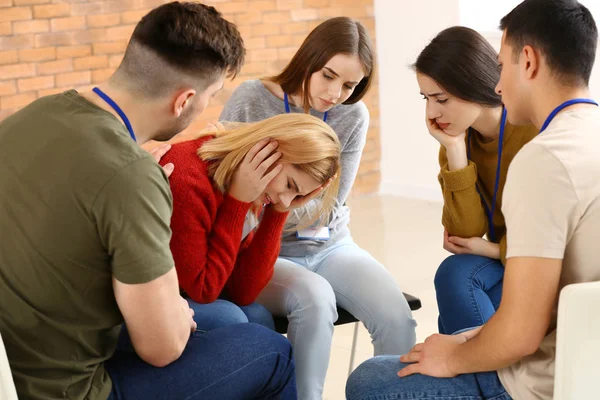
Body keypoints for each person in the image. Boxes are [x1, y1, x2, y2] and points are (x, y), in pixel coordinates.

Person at [0, 2, 297, 399]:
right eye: (210, 96)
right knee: (273, 351)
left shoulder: (28, 118)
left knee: (228, 318)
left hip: (15, 358)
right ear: (184, 100)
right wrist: (174, 310)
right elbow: (162, 348)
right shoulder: (132, 176)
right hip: (68, 388)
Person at [346, 1, 600, 399]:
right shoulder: (588, 135)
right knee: (457, 275)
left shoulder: (543, 156)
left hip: (549, 376)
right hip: (580, 348)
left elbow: (523, 332)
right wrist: (468, 341)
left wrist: (453, 358)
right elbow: (465, 236)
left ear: (528, 62)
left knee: (369, 380)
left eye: (502, 66)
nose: (498, 84)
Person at [219, 16, 417, 399]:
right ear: (309, 59)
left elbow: (329, 204)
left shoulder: (352, 116)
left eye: (349, 84)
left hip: (330, 244)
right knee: (316, 299)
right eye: (328, 76)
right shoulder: (251, 98)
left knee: (396, 317)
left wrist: (272, 198)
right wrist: (286, 203)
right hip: (260, 249)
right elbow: (229, 188)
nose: (335, 93)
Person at [162, 114, 341, 332]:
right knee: (230, 318)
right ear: (267, 152)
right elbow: (204, 289)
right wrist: (237, 203)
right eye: (289, 184)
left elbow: (243, 292)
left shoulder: (250, 182)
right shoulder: (188, 179)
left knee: (258, 316)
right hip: (141, 300)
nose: (284, 198)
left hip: (182, 292)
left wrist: (279, 212)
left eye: (296, 195)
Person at [414, 26, 537, 335]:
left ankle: (480, 374)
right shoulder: (455, 137)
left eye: (440, 99)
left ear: (473, 83)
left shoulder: (533, 132)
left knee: (454, 303)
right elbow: (463, 234)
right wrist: (454, 151)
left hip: (538, 262)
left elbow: (558, 235)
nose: (431, 112)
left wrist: (493, 250)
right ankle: (487, 377)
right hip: (501, 260)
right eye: (426, 98)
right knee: (454, 277)